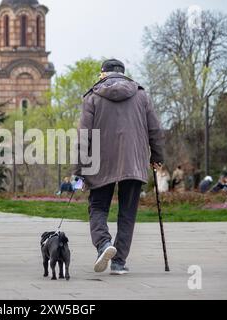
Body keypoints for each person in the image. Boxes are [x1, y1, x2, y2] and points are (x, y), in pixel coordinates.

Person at [73, 59, 165, 275]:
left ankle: (104, 245)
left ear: (102, 74)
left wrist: (78, 171)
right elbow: (155, 130)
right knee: (127, 212)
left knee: (97, 207)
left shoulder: (92, 97)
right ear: (123, 74)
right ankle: (119, 262)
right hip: (134, 161)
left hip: (100, 163)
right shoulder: (141, 95)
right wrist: (157, 156)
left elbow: (83, 137)